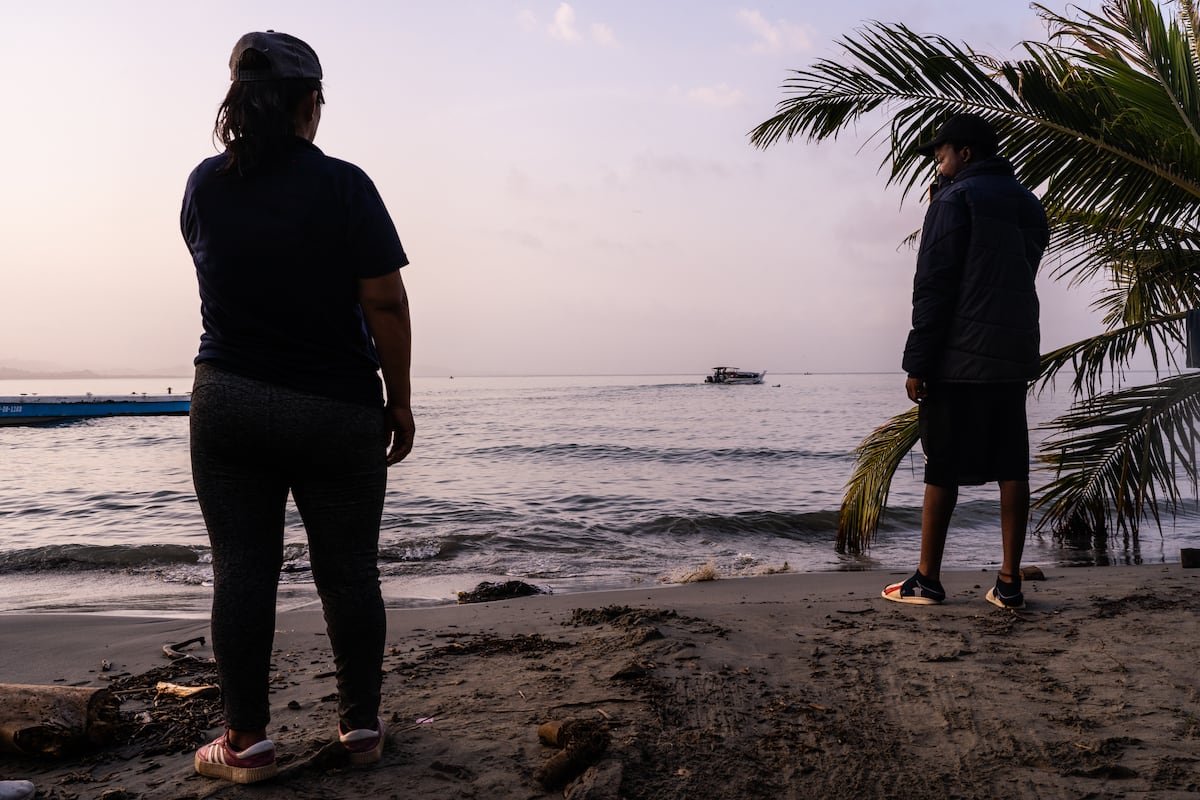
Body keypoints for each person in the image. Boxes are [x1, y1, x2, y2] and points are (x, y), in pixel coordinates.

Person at [180, 31, 414, 783]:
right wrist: (399, 401)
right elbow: (385, 300)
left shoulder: (204, 187)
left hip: (231, 400)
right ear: (309, 103)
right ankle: (362, 731)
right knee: (348, 573)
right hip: (337, 405)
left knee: (242, 568)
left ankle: (244, 742)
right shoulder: (346, 184)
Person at [881, 113, 1048, 610]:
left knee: (944, 465)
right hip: (1011, 353)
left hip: (957, 357)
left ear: (965, 153)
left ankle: (927, 580)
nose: (939, 165)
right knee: (1012, 464)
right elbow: (1015, 274)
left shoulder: (954, 200)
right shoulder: (1027, 203)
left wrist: (918, 362)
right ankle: (1009, 583)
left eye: (941, 156)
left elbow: (935, 285)